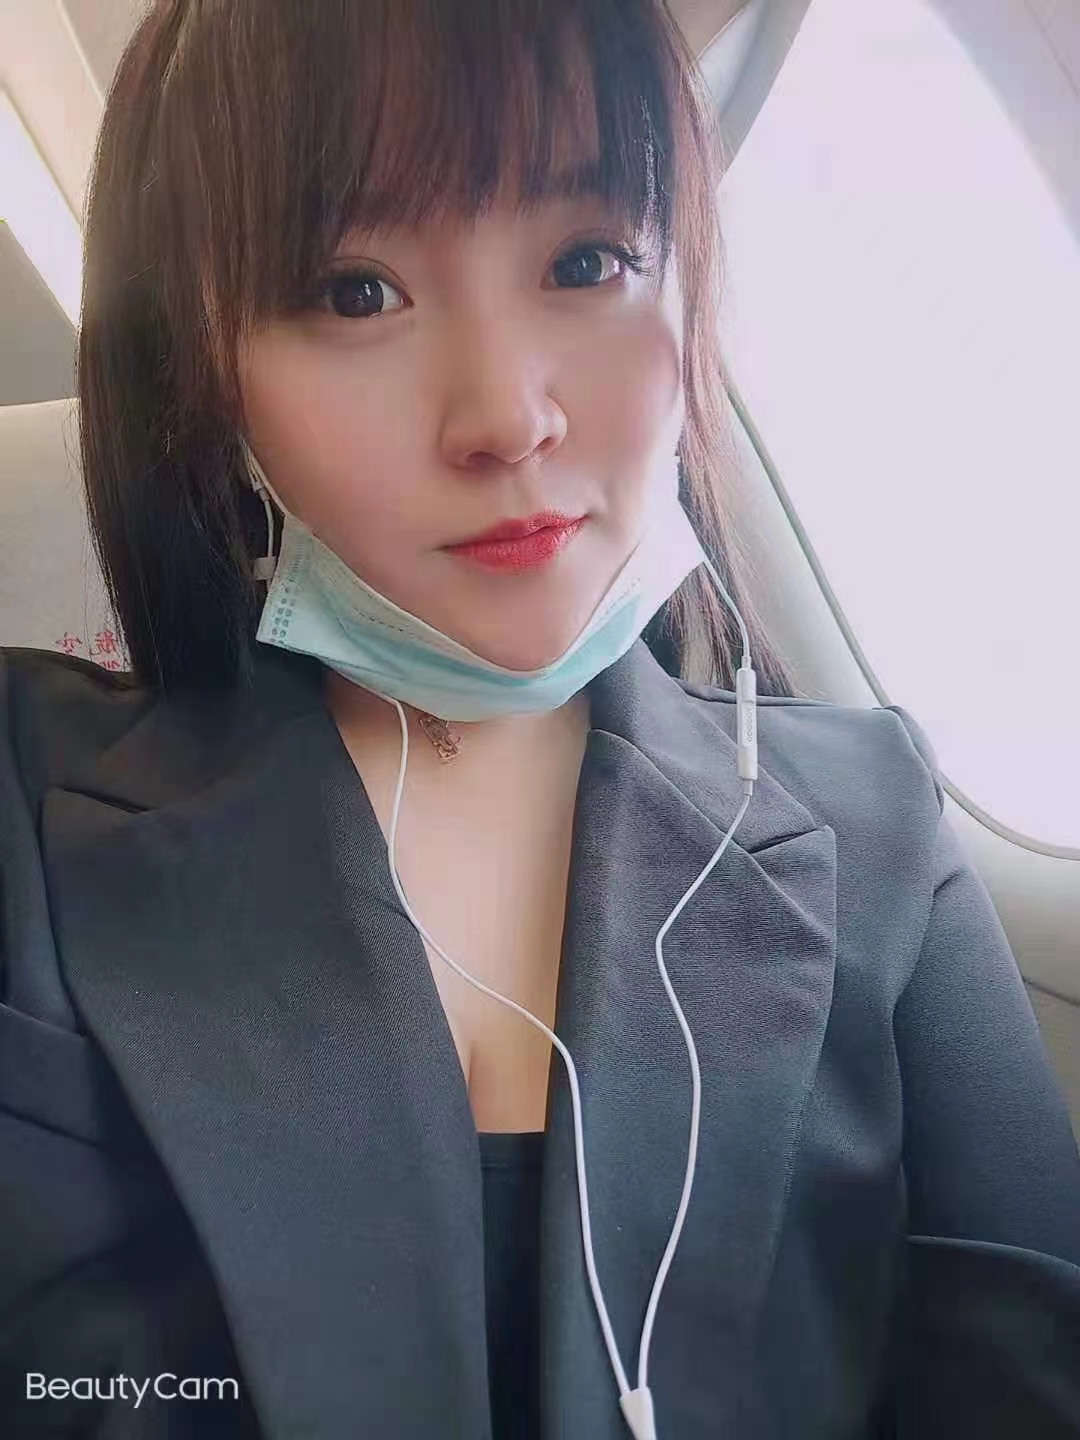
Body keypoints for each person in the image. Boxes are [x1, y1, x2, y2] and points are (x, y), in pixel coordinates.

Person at [1, 1, 1078, 1437]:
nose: (507, 417)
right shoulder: (28, 808)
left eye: (587, 262)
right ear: (203, 374)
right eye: (354, 292)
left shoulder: (876, 824)